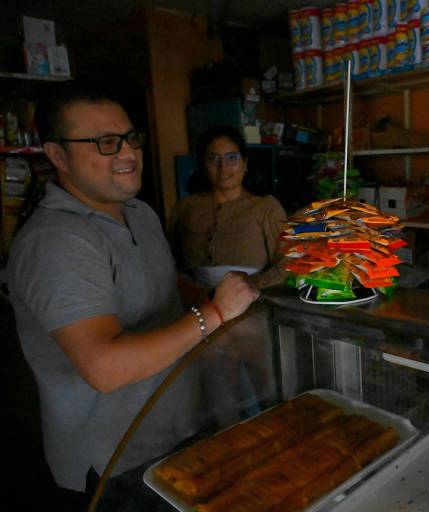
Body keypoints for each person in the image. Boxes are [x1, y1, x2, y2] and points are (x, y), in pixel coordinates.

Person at [6, 85, 260, 511]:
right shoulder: (55, 242)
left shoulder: (139, 213)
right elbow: (105, 367)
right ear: (57, 155)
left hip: (176, 433)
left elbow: (159, 287)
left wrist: (210, 299)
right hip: (115, 466)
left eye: (130, 138)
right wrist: (215, 313)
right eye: (105, 143)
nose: (127, 153)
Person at [168, 125, 288, 424]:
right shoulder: (185, 209)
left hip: (254, 317)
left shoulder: (265, 208)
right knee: (219, 401)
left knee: (270, 396)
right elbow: (169, 260)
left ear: (246, 163)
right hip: (200, 313)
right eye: (213, 158)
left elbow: (289, 263)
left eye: (232, 157)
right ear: (202, 164)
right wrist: (191, 288)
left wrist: (251, 285)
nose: (224, 167)